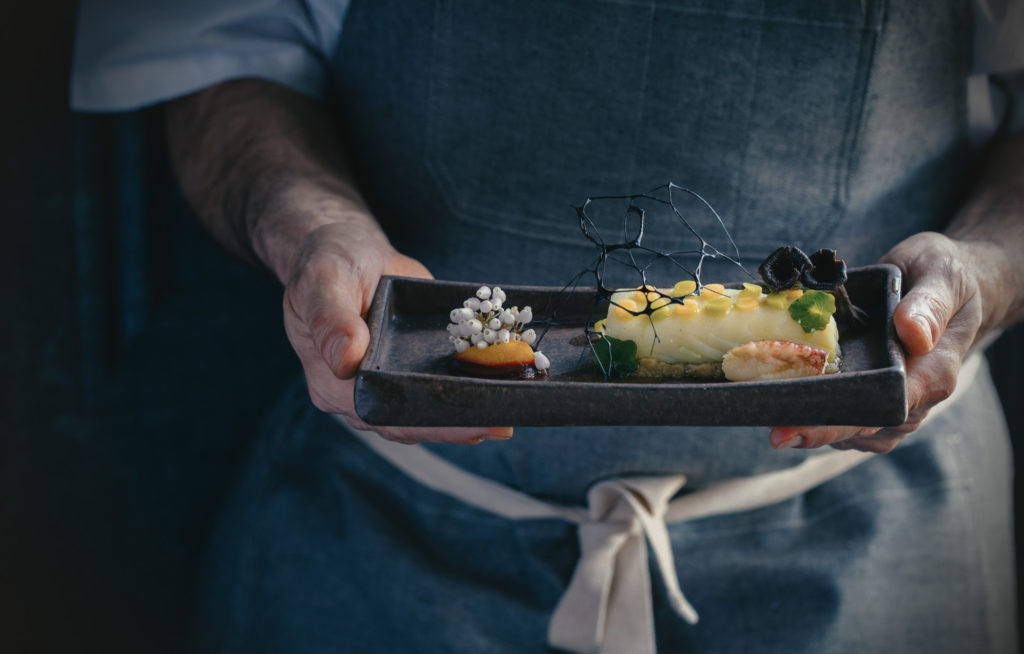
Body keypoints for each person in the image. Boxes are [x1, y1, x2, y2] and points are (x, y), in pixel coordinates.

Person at [74, 1, 1024, 652]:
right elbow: (212, 47)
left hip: (883, 559)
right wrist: (310, 226)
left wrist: (986, 266)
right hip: (377, 547)